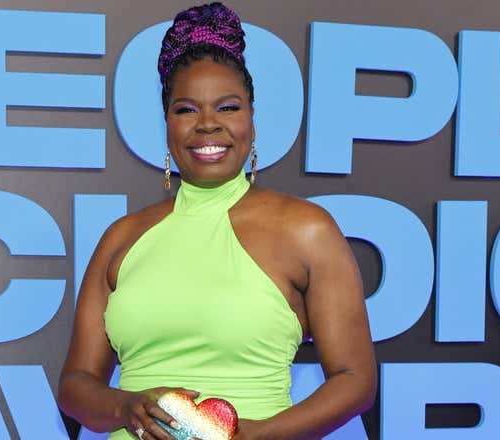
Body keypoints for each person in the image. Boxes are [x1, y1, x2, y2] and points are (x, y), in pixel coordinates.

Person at [58, 3, 377, 439]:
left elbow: (355, 381)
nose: (207, 125)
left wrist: (252, 436)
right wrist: (126, 406)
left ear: (251, 119)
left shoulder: (308, 230)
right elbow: (75, 386)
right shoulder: (122, 238)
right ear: (167, 124)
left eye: (228, 107)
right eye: (186, 109)